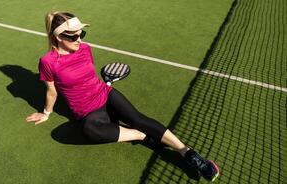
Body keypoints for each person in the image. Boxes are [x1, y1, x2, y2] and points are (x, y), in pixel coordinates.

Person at [25, 11, 219, 182]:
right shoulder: (48, 62)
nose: (79, 39)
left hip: (105, 93)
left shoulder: (85, 49)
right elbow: (52, 91)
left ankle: (188, 153)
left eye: (81, 33)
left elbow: (89, 77)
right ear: (58, 37)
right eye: (74, 36)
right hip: (87, 112)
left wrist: (104, 86)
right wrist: (46, 113)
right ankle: (142, 136)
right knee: (89, 130)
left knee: (138, 118)